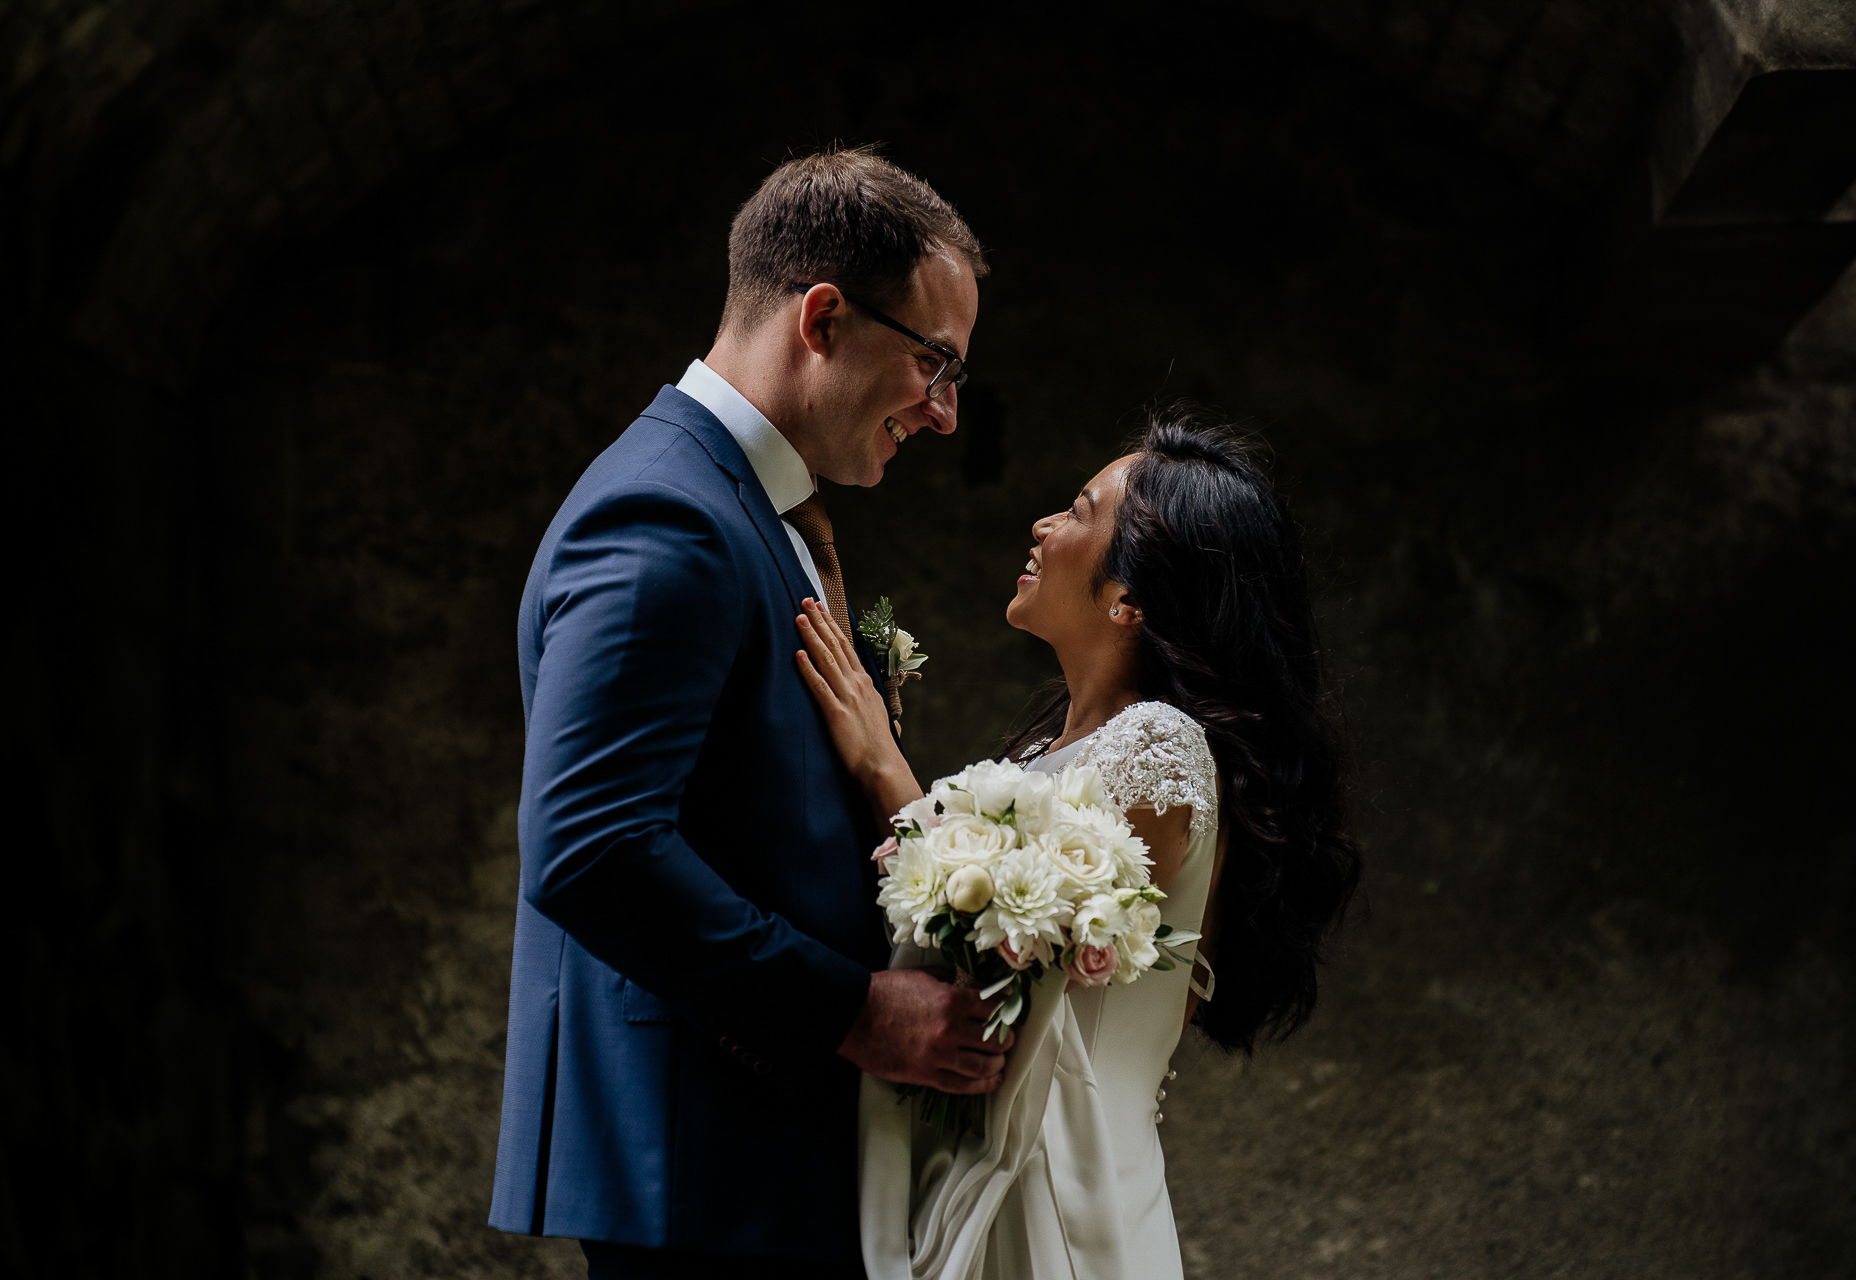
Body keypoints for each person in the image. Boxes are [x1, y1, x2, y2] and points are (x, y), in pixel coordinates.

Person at [488, 147, 1002, 1279]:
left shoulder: (750, 505)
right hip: (699, 1163)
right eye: (937, 362)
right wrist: (854, 1011)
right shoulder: (662, 514)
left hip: (754, 1152)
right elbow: (589, 844)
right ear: (824, 316)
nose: (946, 412)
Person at [794, 411, 1364, 1279]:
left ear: (1128, 599)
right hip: (997, 1165)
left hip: (1061, 1197)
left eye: (1077, 510)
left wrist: (883, 769)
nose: (1042, 525)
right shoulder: (1049, 752)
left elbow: (1006, 950)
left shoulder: (1160, 748)